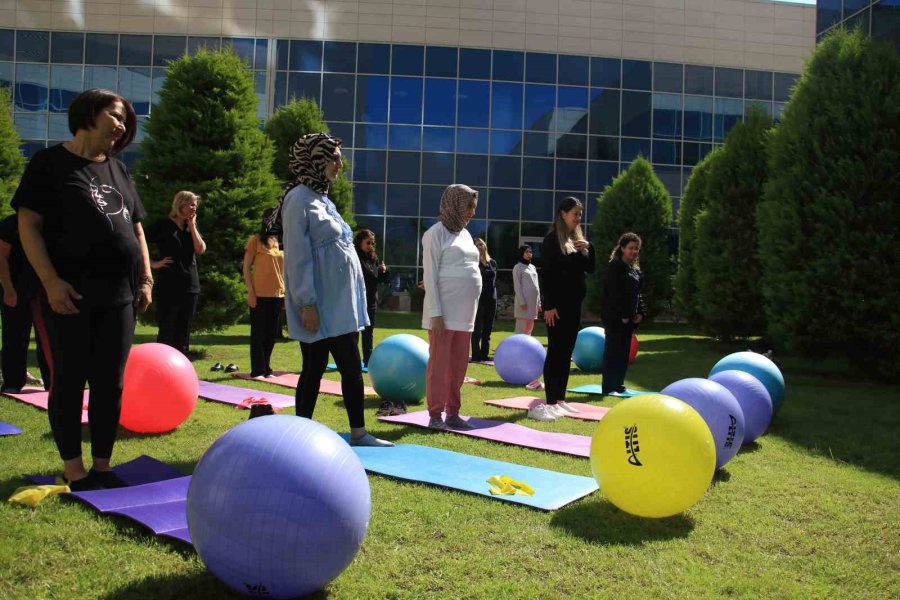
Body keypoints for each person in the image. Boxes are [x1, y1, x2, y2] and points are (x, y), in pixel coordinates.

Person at [14, 88, 152, 491]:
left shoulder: (118, 170)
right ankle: (74, 468)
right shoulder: (49, 164)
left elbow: (136, 227)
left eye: (126, 118)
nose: (122, 124)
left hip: (120, 297)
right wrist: (50, 281)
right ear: (88, 114)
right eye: (115, 114)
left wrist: (146, 278)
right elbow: (29, 225)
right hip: (69, 296)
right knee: (70, 380)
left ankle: (103, 466)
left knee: (112, 383)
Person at [281, 132, 392, 447]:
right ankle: (299, 435)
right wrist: (306, 303)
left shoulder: (322, 198)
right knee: (313, 369)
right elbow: (298, 256)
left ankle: (359, 432)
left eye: (338, 158)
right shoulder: (298, 198)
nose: (339, 164)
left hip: (341, 306)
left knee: (350, 368)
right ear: (315, 160)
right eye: (332, 158)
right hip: (319, 305)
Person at [422, 184, 481, 431]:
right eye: (468, 206)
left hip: (465, 314)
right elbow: (430, 274)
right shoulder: (435, 234)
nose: (472, 213)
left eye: (473, 208)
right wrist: (436, 313)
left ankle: (453, 413)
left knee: (459, 365)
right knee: (439, 365)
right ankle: (435, 415)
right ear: (455, 204)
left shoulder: (466, 235)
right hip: (443, 315)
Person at [533, 197, 595, 421]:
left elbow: (591, 268)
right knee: (556, 352)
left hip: (573, 306)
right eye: (574, 214)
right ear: (562, 214)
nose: (578, 218)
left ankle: (560, 400)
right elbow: (546, 275)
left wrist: (589, 249)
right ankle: (550, 401)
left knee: (566, 353)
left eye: (580, 214)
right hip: (557, 308)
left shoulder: (577, 241)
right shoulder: (552, 240)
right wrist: (548, 306)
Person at [145, 190, 206, 356]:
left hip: (190, 284)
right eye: (191, 204)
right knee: (167, 328)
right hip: (168, 284)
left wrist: (192, 226)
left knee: (184, 330)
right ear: (181, 204)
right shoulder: (163, 225)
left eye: (196, 205)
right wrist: (153, 264)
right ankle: (161, 367)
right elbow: (138, 241)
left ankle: (180, 367)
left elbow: (200, 249)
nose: (194, 208)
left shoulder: (190, 226)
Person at [0, 215, 50, 393]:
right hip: (16, 287)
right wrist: (8, 289)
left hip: (45, 289)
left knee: (49, 337)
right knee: (15, 336)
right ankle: (12, 382)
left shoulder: (51, 222)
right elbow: (1, 259)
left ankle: (52, 382)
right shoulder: (11, 224)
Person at [601, 232, 645, 396]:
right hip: (615, 318)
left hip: (629, 320)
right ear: (622, 249)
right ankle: (608, 386)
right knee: (612, 351)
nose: (634, 251)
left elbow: (637, 294)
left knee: (623, 353)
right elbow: (613, 295)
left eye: (636, 249)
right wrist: (623, 315)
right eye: (631, 248)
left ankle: (618, 384)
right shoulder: (615, 267)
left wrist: (640, 312)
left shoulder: (634, 270)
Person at [242, 207, 285, 378]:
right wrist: (250, 292)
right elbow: (246, 267)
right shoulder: (255, 240)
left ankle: (267, 368)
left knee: (271, 334)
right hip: (259, 294)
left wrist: (285, 294)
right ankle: (257, 370)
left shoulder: (281, 241)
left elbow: (285, 270)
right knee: (258, 333)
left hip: (277, 294)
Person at [353, 228, 389, 367]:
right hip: (357, 300)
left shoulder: (373, 257)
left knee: (369, 332)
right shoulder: (355, 256)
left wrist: (384, 271)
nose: (370, 246)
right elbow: (367, 275)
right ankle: (352, 360)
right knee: (354, 333)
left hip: (370, 299)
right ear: (360, 242)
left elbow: (379, 279)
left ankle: (368, 360)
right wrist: (377, 271)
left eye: (372, 243)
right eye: (368, 242)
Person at [512, 244, 544, 389]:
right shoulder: (517, 268)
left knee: (529, 330)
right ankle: (516, 356)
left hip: (533, 305)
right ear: (521, 253)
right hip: (523, 304)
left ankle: (526, 354)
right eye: (526, 252)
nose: (529, 254)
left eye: (531, 251)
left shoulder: (532, 267)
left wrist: (538, 302)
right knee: (521, 330)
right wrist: (522, 301)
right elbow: (517, 286)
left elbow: (537, 287)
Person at [471, 237, 497, 362]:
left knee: (488, 329)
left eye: (481, 244)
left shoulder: (493, 263)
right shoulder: (473, 263)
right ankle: (476, 355)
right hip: (478, 299)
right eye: (476, 245)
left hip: (491, 299)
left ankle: (484, 354)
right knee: (477, 328)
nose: (479, 247)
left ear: (485, 245)